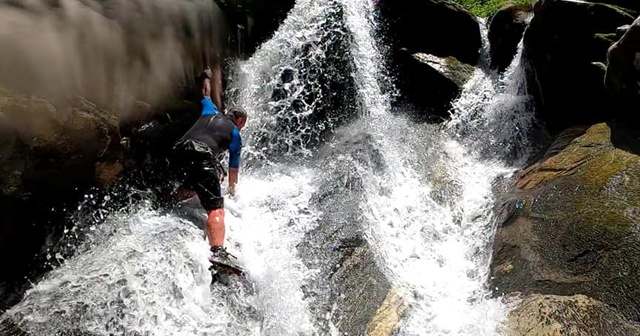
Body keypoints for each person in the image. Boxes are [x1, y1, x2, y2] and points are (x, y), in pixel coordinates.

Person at [171, 63, 247, 265]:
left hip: (178, 151)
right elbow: (233, 168)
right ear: (239, 121)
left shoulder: (210, 110)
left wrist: (206, 77)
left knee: (194, 182)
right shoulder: (235, 133)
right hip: (200, 155)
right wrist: (231, 190)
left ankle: (171, 200)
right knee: (215, 209)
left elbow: (205, 94)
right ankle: (218, 251)